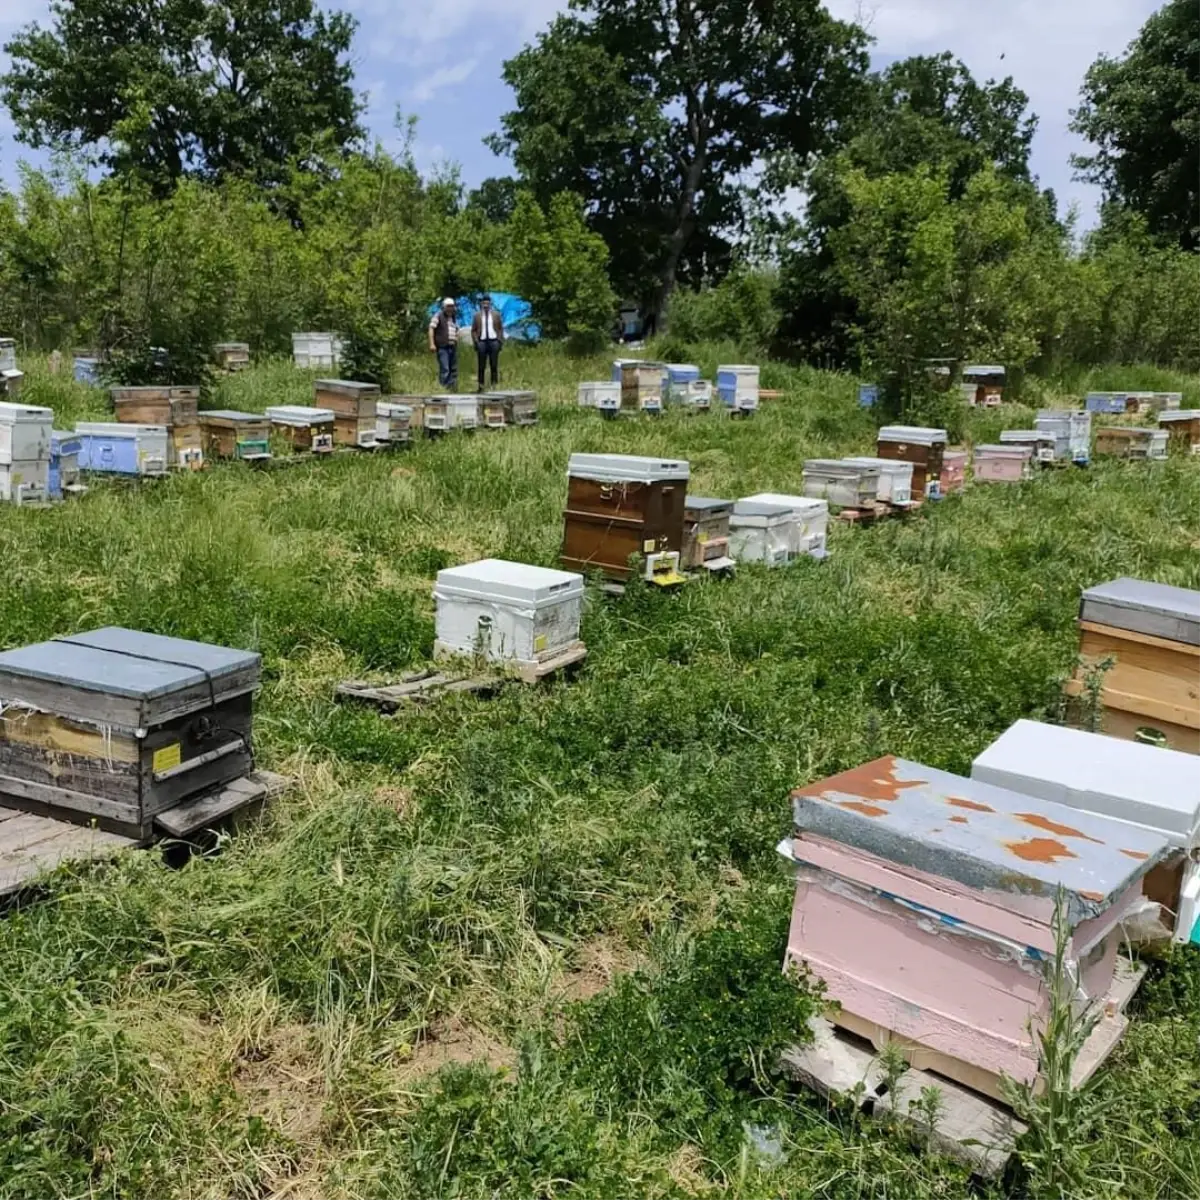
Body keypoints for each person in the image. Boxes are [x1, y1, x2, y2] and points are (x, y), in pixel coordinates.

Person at [471, 294, 505, 391]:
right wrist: (476, 341)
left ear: (490, 303)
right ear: (481, 304)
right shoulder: (477, 315)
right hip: (482, 341)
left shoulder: (496, 314)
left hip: (493, 341)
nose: (485, 305)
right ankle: (481, 386)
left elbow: (500, 328)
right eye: (484, 303)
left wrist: (499, 341)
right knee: (481, 366)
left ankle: (494, 385)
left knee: (494, 365)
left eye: (487, 303)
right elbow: (473, 330)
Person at [429, 297, 458, 390]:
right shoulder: (438, 316)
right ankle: (443, 388)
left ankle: (452, 388)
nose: (451, 308)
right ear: (444, 307)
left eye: (452, 306)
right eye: (449, 306)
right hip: (442, 347)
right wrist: (432, 344)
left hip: (452, 346)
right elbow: (431, 328)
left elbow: (455, 329)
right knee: (445, 369)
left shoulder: (453, 317)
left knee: (453, 369)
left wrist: (456, 337)